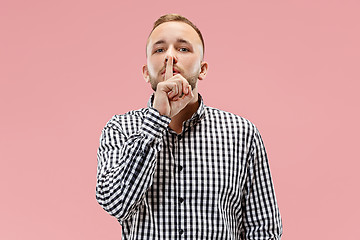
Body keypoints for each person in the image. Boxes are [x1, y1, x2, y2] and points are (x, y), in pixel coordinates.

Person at [96, 14, 283, 240]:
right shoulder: (120, 129)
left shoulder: (242, 134)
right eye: (159, 50)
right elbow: (115, 203)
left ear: (202, 69)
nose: (171, 57)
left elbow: (264, 230)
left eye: (183, 49)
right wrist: (157, 118)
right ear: (146, 72)